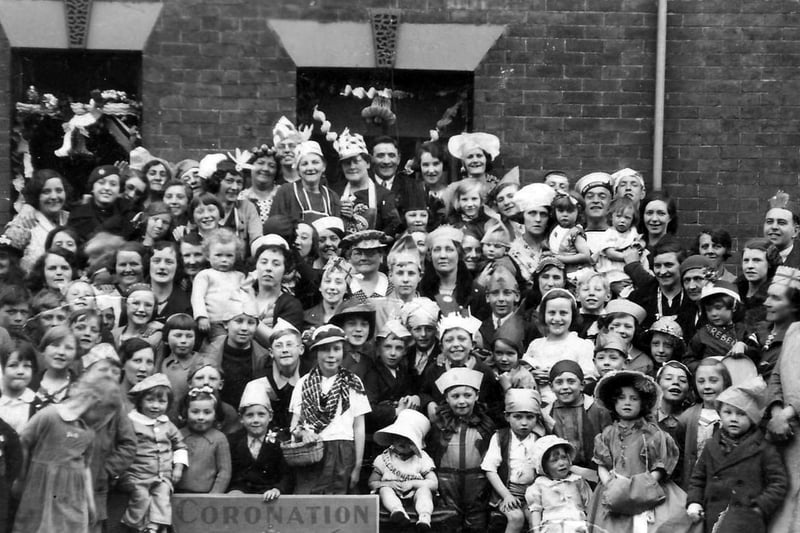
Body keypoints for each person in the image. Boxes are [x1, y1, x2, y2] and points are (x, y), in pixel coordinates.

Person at [588, 370, 698, 533]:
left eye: (634, 399)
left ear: (643, 403)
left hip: (647, 489)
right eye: (621, 398)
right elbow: (602, 464)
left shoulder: (653, 434)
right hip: (614, 490)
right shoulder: (608, 434)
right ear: (613, 402)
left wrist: (641, 486)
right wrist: (611, 484)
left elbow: (660, 467)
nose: (627, 403)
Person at [12, 377, 118, 533]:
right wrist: (20, 479)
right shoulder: (49, 416)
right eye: (103, 416)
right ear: (93, 401)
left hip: (73, 497)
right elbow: (24, 443)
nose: (101, 423)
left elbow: (85, 467)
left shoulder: (88, 433)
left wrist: (90, 502)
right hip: (41, 490)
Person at [686, 378, 787, 533]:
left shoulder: (763, 448)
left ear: (752, 418)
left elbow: (778, 482)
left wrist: (758, 507)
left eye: (741, 414)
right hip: (713, 517)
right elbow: (697, 478)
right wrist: (694, 502)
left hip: (747, 521)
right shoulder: (711, 445)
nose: (733, 418)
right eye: (728, 412)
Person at [288, 324, 371, 494]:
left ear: (343, 351)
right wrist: (303, 434)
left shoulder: (353, 382)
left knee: (339, 501)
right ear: (316, 352)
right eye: (325, 350)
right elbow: (294, 425)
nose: (331, 355)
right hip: (313, 452)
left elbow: (359, 426)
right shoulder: (304, 383)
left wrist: (357, 465)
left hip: (343, 452)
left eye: (336, 349)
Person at [426, 367, 495, 533]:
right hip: (446, 482)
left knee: (477, 521)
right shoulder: (440, 424)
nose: (462, 401)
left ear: (477, 396)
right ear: (447, 399)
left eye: (468, 395)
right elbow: (433, 452)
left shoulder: (485, 424)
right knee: (448, 520)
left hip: (477, 482)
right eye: (455, 396)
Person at [120, 373, 188, 533]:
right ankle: (134, 525)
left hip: (161, 476)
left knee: (163, 495)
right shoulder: (132, 422)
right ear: (140, 401)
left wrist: (178, 467)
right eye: (150, 400)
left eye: (161, 401)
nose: (155, 406)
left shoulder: (168, 425)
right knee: (141, 497)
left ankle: (154, 527)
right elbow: (123, 446)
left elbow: (180, 445)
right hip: (137, 476)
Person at [482, 389, 545, 533]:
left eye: (530, 417)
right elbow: (490, 470)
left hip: (531, 493)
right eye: (518, 417)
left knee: (535, 519)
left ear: (537, 418)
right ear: (507, 417)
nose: (524, 423)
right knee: (516, 517)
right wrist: (506, 496)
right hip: (506, 491)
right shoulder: (500, 437)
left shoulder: (539, 440)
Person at [369, 409, 437, 531]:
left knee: (424, 491)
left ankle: (424, 518)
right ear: (392, 438)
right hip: (392, 495)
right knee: (385, 490)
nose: (402, 442)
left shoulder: (421, 458)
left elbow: (433, 483)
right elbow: (372, 483)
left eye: (408, 439)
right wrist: (386, 484)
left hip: (415, 494)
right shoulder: (384, 458)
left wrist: (414, 484)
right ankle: (397, 512)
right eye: (398, 437)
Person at [522, 289, 596, 402]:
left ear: (573, 315)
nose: (557, 319)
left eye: (563, 313)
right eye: (551, 313)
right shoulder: (536, 345)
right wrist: (532, 375)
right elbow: (523, 373)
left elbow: (588, 381)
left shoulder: (581, 345)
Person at [676, 358, 732, 490]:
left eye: (713, 381)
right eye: (701, 381)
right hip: (695, 486)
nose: (707, 386)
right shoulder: (687, 418)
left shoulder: (734, 415)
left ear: (725, 382)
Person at [543, 360, 611, 469]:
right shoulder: (547, 413)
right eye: (559, 382)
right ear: (551, 387)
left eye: (571, 381)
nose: (565, 387)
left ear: (582, 385)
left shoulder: (597, 409)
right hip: (560, 471)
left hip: (596, 469)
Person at [227, 381, 289, 497]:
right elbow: (231, 473)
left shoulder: (280, 440)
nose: (256, 420)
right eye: (249, 415)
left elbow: (287, 474)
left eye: (261, 414)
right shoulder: (233, 441)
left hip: (270, 496)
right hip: (241, 496)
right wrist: (235, 489)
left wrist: (277, 489)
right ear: (241, 418)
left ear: (270, 416)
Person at [190, 228, 250, 346]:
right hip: (215, 322)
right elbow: (197, 297)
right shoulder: (205, 275)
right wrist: (201, 316)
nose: (224, 260)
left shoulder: (239, 276)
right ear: (208, 255)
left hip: (237, 323)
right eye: (218, 255)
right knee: (221, 343)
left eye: (229, 256)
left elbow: (247, 298)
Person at [335, 129, 401, 235]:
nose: (352, 167)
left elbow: (393, 228)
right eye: (347, 163)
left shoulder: (384, 195)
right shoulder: (335, 193)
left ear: (368, 163)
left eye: (356, 161)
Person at [6, 169, 71, 270]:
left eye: (59, 190)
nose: (54, 196)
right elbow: (5, 260)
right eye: (46, 192)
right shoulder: (24, 221)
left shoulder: (71, 219)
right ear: (36, 195)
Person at [525, 435, 591, 533]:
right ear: (544, 467)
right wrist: (536, 530)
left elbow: (590, 505)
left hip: (577, 524)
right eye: (554, 460)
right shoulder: (540, 485)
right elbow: (536, 511)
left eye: (564, 458)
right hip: (553, 527)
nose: (562, 463)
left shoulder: (577, 481)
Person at [176, 386, 232, 494]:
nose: (201, 417)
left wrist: (213, 495)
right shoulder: (178, 435)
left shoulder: (219, 438)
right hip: (177, 495)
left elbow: (224, 472)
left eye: (207, 412)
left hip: (206, 497)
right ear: (186, 412)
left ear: (215, 414)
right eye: (195, 412)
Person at [269, 140, 341, 223]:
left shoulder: (332, 197)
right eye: (304, 164)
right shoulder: (286, 192)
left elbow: (337, 231)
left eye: (315, 162)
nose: (310, 168)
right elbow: (272, 226)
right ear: (298, 170)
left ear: (323, 167)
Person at [203, 155, 262, 249]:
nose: (235, 187)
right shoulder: (204, 204)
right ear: (217, 182)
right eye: (229, 181)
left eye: (239, 182)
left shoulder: (247, 207)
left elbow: (257, 238)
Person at [508, 183, 556, 284]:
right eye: (532, 213)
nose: (538, 219)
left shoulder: (555, 245)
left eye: (543, 214)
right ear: (522, 217)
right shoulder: (514, 251)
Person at [594, 196, 644, 274]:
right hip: (611, 268)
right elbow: (610, 253)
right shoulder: (610, 233)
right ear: (611, 217)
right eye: (618, 216)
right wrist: (626, 257)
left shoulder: (632, 233)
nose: (622, 220)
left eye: (627, 218)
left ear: (633, 219)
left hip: (627, 270)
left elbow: (639, 244)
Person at [548, 191, 592, 275]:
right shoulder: (556, 228)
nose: (565, 214)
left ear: (578, 212)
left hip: (572, 271)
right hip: (557, 268)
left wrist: (561, 259)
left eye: (570, 211)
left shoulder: (575, 232)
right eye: (561, 211)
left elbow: (585, 255)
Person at [0, 336, 37, 433]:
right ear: (2, 368)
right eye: (13, 365)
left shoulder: (37, 405)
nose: (20, 371)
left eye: (26, 366)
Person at [240, 145, 279, 227]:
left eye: (271, 166)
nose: (265, 169)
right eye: (260, 163)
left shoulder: (283, 193)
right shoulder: (242, 197)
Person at [763, 190, 800, 267]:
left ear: (795, 231)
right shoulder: (754, 260)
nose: (774, 227)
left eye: (781, 223)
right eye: (769, 222)